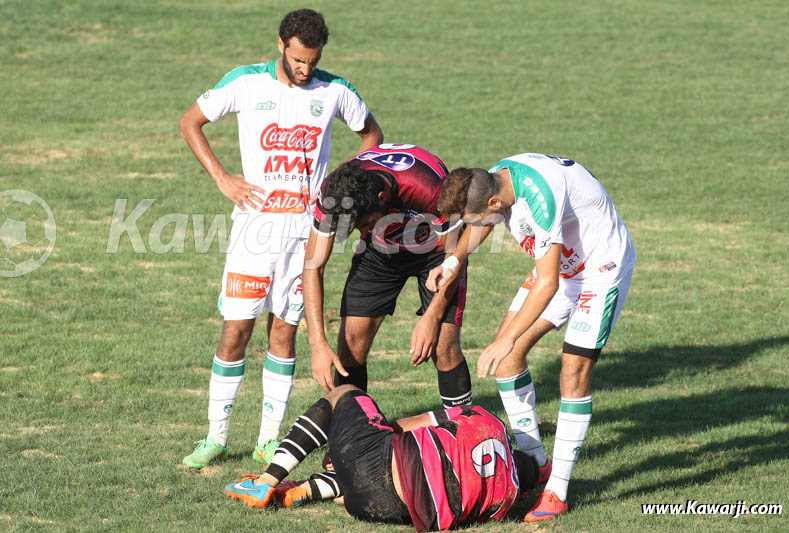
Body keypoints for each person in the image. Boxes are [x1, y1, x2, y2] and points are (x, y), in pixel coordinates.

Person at [178, 8, 383, 468]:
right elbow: (190, 121)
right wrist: (222, 177)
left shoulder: (335, 91)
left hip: (305, 234)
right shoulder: (246, 82)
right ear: (280, 45)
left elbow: (372, 135)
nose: (305, 69)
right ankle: (215, 436)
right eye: (297, 60)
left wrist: (343, 184)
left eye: (312, 60)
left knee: (284, 334)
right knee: (236, 331)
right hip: (255, 230)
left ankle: (268, 439)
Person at [430, 153, 636, 521]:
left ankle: (556, 490)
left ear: (494, 202)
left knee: (572, 372)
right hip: (560, 269)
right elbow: (484, 223)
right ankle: (535, 462)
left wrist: (506, 337)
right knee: (508, 360)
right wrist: (453, 260)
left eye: (473, 217)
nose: (472, 225)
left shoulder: (540, 197)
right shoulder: (496, 180)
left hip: (599, 273)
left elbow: (547, 283)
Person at [224, 385, 540, 531]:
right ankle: (306, 490)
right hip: (389, 510)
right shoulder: (504, 500)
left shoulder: (489, 421)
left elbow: (407, 425)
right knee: (379, 474)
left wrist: (356, 440)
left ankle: (266, 481)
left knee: (345, 394)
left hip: (385, 464)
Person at [302, 143, 473, 408]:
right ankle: (352, 437)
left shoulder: (428, 188)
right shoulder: (334, 192)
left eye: (366, 223)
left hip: (438, 253)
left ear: (382, 197)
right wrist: (317, 343)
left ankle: (467, 435)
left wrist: (432, 317)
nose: (361, 229)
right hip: (380, 249)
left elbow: (455, 257)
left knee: (443, 345)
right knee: (350, 342)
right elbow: (313, 265)